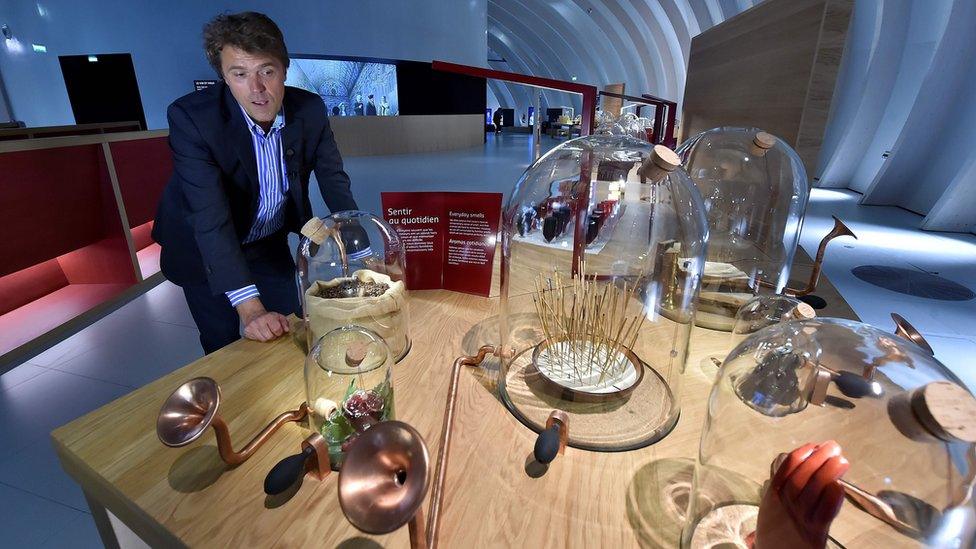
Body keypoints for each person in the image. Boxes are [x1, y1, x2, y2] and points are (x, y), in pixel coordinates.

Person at [153, 12, 358, 354]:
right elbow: (209, 216)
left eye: (267, 71)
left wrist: (360, 249)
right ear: (223, 77)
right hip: (203, 246)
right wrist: (250, 309)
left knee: (293, 323)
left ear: (284, 69)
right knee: (224, 343)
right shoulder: (192, 119)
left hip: (266, 240)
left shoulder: (309, 109)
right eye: (240, 74)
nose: (257, 89)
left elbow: (333, 179)